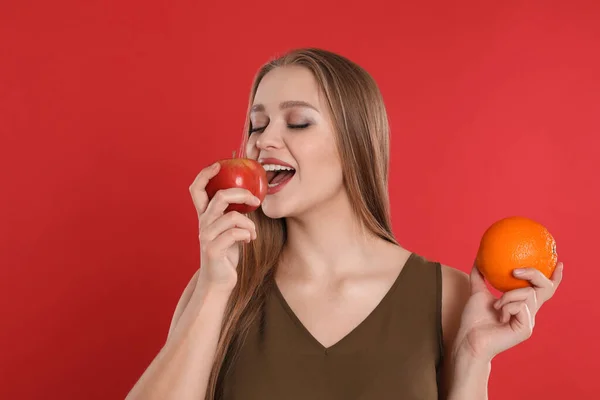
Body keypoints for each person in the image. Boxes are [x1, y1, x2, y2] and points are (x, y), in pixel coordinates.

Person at [126, 48, 563, 400]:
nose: (263, 141)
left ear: (355, 143)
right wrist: (214, 288)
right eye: (256, 125)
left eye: (297, 122)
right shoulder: (220, 287)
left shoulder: (447, 295)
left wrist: (473, 358)